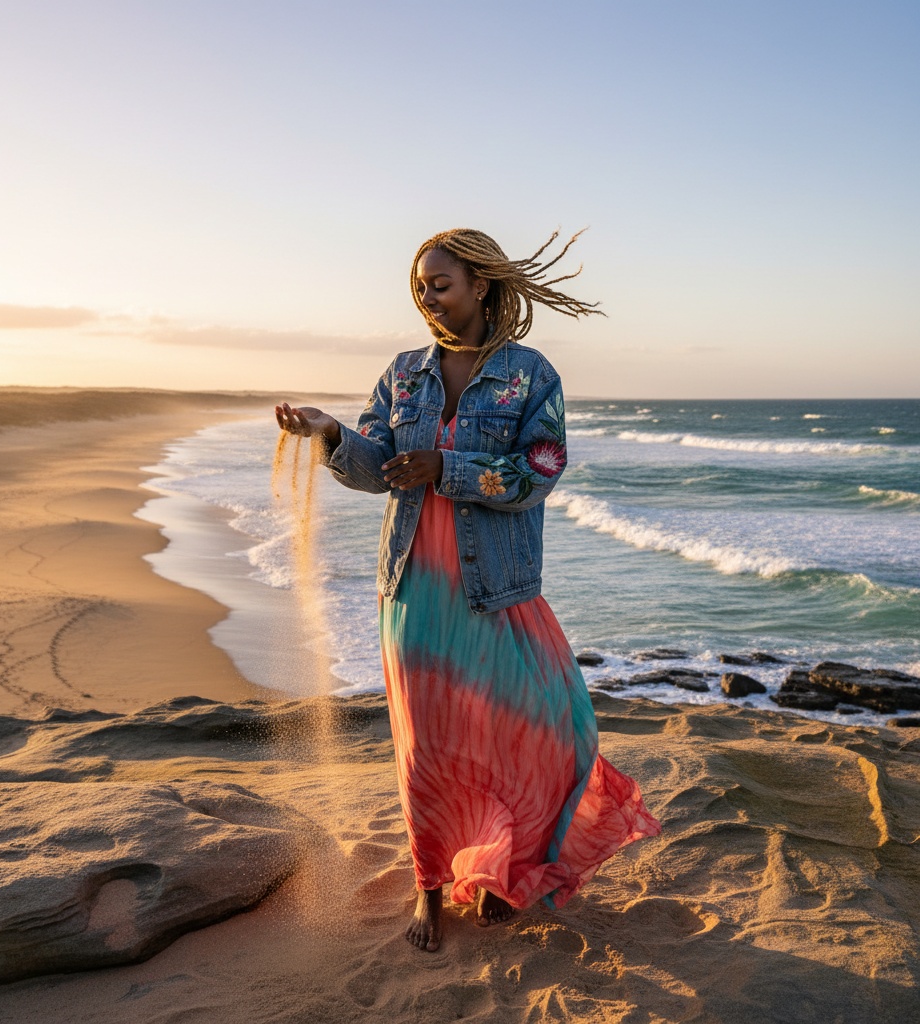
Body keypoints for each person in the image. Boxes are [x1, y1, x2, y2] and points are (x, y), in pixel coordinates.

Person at [275, 228, 660, 952]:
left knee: (536, 728)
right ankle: (430, 889)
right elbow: (372, 465)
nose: (427, 298)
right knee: (428, 747)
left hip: (499, 589)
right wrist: (329, 435)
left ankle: (500, 867)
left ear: (480, 285)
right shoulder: (403, 374)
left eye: (440, 284)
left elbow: (540, 470)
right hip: (415, 588)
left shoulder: (529, 375)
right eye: (419, 287)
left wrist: (445, 468)